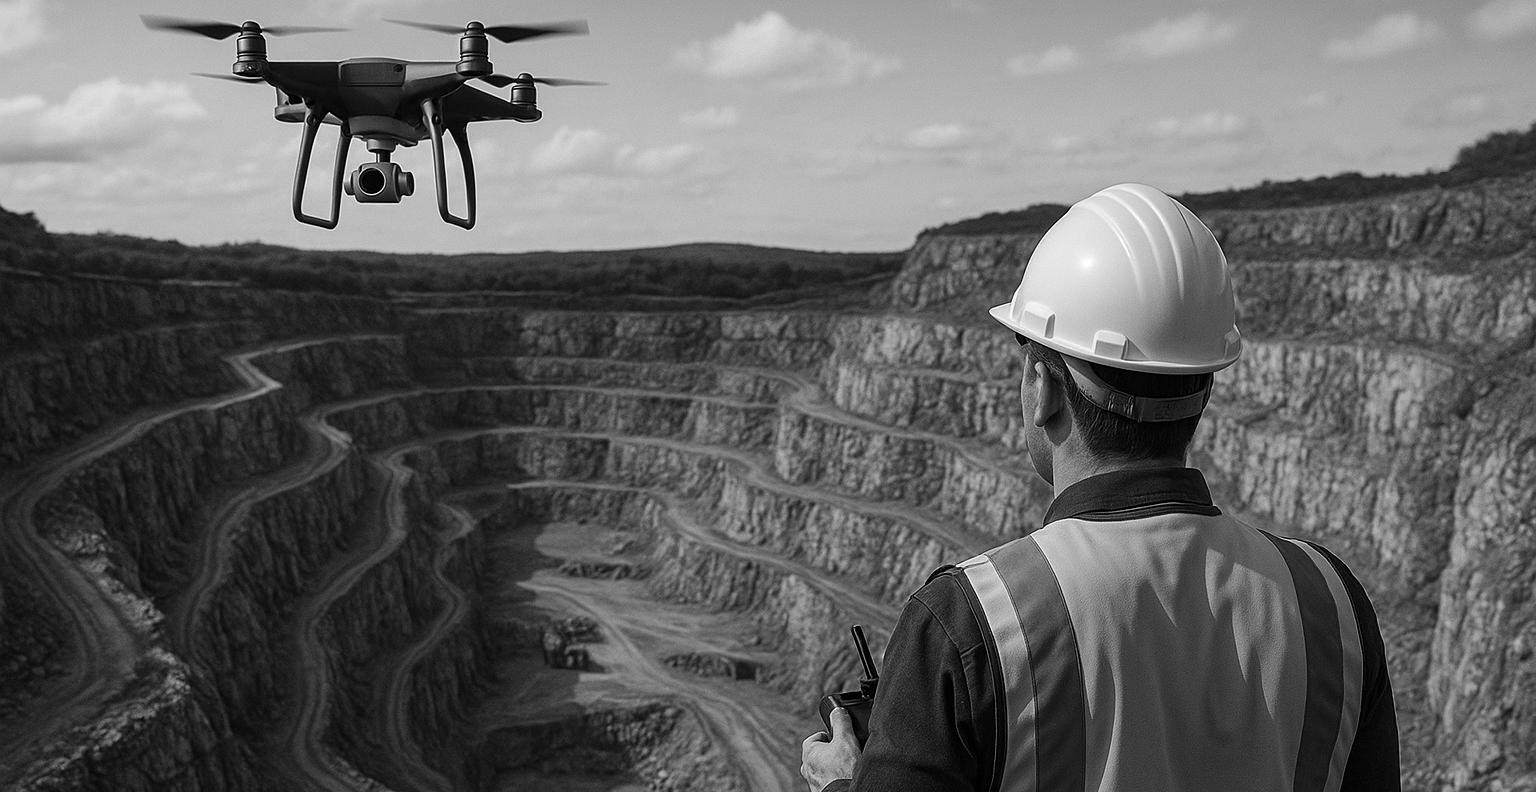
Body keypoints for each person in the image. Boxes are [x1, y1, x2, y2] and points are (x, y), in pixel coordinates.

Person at [801, 183, 1400, 791]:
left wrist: (846, 785)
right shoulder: (1332, 604)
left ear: (1044, 386)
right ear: (1204, 385)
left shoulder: (975, 618)